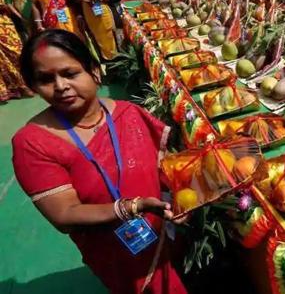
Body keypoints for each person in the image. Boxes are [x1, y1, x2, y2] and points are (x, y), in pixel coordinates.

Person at [12, 29, 188, 294]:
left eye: (70, 73)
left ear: (94, 71)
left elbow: (165, 169)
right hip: (114, 251)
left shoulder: (129, 114)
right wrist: (131, 207)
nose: (60, 86)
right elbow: (65, 214)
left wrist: (185, 195)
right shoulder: (33, 143)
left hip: (161, 231)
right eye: (46, 80)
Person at [0, 0, 32, 102]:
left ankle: (27, 82)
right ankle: (14, 88)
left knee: (17, 52)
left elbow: (5, 5)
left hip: (4, 25)